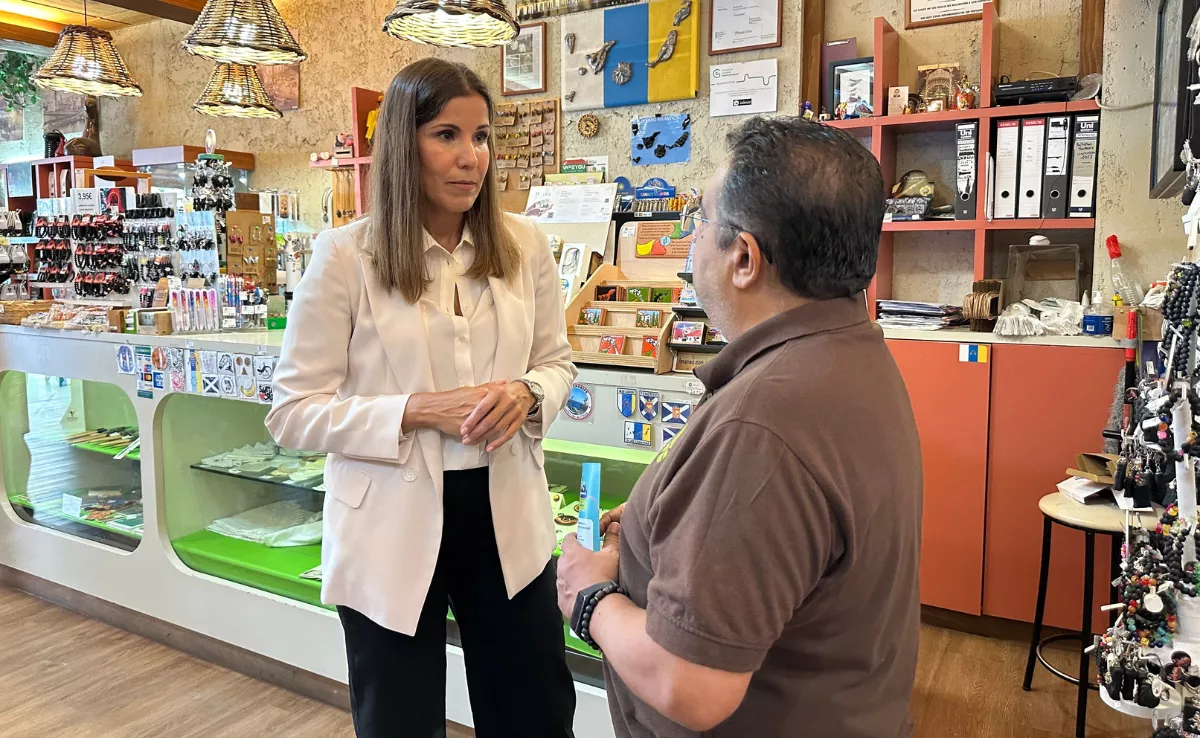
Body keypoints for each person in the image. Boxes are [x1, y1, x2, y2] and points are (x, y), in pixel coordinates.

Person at [556, 117, 922, 737]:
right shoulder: (849, 351)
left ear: (744, 258)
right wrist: (659, 531)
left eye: (700, 220)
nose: (692, 240)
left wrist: (588, 598)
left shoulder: (763, 422)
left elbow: (690, 685)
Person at [266, 58, 577, 738]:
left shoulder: (526, 245)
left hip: (507, 514)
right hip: (389, 518)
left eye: (482, 136)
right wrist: (413, 410)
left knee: (534, 712)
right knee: (398, 719)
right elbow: (291, 412)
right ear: (404, 147)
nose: (472, 158)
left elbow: (556, 363)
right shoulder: (346, 255)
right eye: (447, 135)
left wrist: (528, 394)